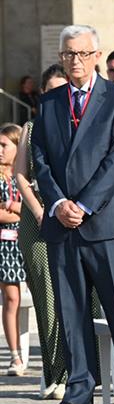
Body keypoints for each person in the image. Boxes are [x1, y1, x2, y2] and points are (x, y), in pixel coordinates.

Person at [32, 25, 114, 404]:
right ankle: (79, 390)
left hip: (107, 222)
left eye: (81, 54)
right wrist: (59, 202)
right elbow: (40, 159)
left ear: (97, 55)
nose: (75, 61)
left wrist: (84, 204)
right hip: (63, 223)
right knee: (70, 309)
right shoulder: (48, 103)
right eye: (67, 55)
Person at [14, 65, 102, 398]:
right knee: (47, 297)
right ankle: (57, 373)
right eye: (49, 90)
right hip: (37, 219)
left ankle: (88, 370)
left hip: (78, 216)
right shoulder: (32, 127)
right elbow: (22, 175)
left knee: (84, 293)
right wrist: (39, 211)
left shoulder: (84, 126)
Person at [0, 123, 26, 376]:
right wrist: (19, 208)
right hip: (4, 246)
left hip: (27, 239)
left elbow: (34, 206)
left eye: (5, 145)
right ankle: (15, 355)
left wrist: (12, 206)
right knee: (12, 298)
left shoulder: (26, 173)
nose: (0, 150)